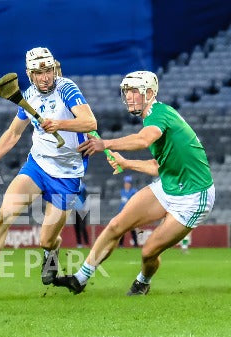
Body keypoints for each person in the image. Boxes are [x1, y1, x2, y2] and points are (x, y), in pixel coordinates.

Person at [54, 71, 215, 296]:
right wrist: (126, 163)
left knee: (148, 252)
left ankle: (143, 282)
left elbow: (142, 140)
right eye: (126, 92)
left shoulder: (159, 115)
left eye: (134, 92)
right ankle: (80, 279)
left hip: (193, 196)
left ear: (149, 93)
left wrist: (105, 143)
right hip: (169, 184)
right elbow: (159, 167)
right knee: (116, 225)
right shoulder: (155, 117)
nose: (129, 97)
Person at [0, 47, 97, 296]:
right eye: (38, 72)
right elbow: (13, 133)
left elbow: (90, 122)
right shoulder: (28, 95)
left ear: (54, 69)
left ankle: (51, 251)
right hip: (38, 166)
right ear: (29, 74)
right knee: (4, 215)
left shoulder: (67, 88)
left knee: (46, 239)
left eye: (48, 71)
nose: (45, 77)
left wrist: (60, 124)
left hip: (67, 175)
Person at [118, 175, 139, 247]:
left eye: (129, 183)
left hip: (130, 213)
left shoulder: (134, 191)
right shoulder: (122, 191)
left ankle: (135, 244)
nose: (127, 184)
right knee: (122, 229)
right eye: (126, 183)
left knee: (132, 228)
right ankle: (120, 244)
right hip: (122, 213)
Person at [74, 180, 89, 248]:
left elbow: (86, 197)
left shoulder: (83, 187)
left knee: (82, 227)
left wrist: (86, 207)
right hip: (75, 209)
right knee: (76, 227)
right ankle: (79, 243)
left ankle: (86, 243)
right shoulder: (73, 186)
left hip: (82, 210)